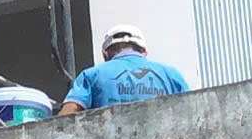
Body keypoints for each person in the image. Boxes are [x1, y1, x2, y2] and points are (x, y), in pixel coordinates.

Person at [57, 24, 189, 115]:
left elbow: (67, 115)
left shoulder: (91, 75)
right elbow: (192, 111)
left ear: (105, 54)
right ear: (144, 52)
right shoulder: (171, 75)